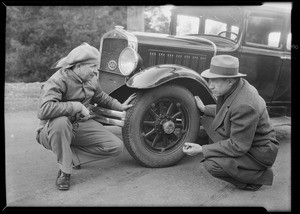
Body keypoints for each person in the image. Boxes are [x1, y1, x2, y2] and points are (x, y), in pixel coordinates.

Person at [35, 43, 136, 190]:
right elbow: (43, 110)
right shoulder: (58, 80)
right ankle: (65, 171)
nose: (96, 71)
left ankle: (69, 158)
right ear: (78, 66)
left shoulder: (91, 79)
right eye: (92, 66)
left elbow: (101, 97)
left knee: (115, 146)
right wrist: (77, 106)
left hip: (78, 125)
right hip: (51, 130)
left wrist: (120, 106)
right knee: (61, 122)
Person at [183, 55, 279, 191]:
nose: (210, 86)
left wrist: (202, 149)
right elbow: (227, 109)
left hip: (258, 152)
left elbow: (238, 146)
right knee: (206, 119)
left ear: (230, 81)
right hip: (248, 141)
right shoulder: (238, 86)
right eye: (210, 80)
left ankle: (255, 179)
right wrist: (205, 109)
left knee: (211, 164)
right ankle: (224, 156)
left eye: (215, 81)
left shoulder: (245, 105)